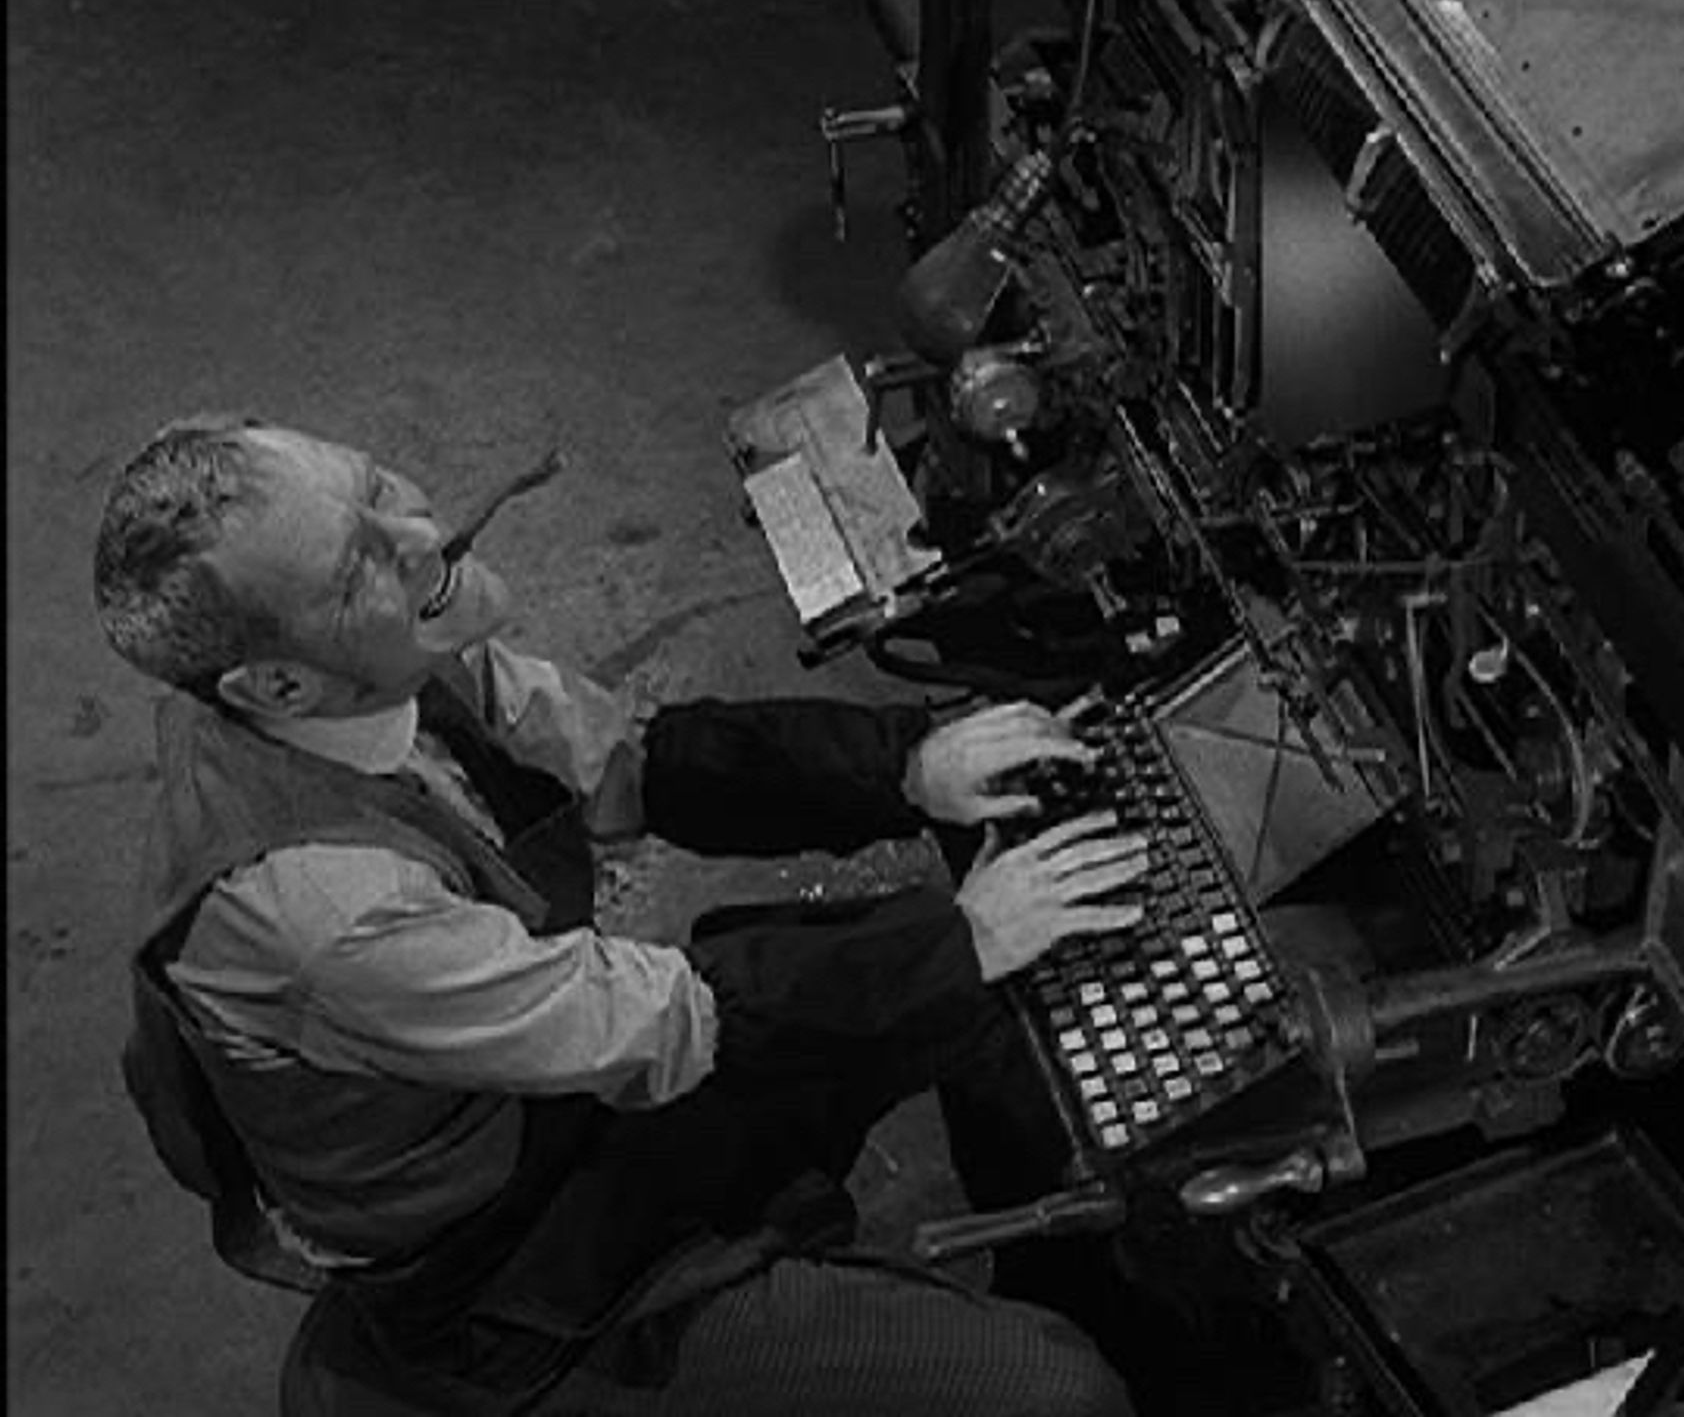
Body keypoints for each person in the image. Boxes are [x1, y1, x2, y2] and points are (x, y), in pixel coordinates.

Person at [95, 415, 1153, 1416]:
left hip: (558, 1106)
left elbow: (628, 766)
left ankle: (1063, 1262)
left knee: (953, 987)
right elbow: (662, 1028)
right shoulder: (319, 912)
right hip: (522, 1266)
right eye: (357, 565)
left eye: (375, 486)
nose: (421, 536)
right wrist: (963, 940)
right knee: (1060, 1393)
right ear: (275, 684)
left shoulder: (378, 665)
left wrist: (906, 767)